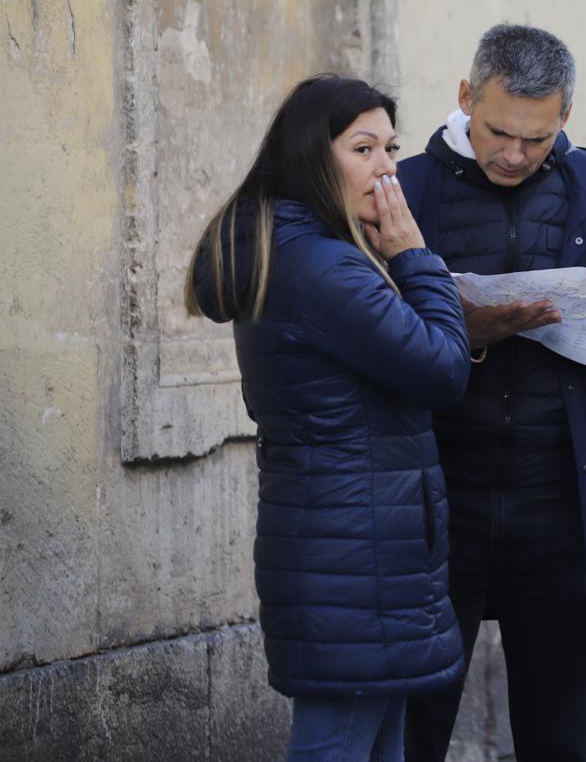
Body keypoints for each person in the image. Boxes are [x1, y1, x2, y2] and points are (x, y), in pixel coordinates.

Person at [399, 24, 586, 761]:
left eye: (537, 137)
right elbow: (365, 347)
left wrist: (566, 325)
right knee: (403, 740)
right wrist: (472, 329)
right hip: (432, 513)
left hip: (568, 517)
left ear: (565, 115)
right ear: (465, 97)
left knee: (562, 743)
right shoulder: (404, 193)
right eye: (498, 131)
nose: (515, 155)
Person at [186, 74, 473, 761]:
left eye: (391, 148)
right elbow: (441, 371)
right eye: (363, 148)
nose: (386, 167)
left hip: (356, 546)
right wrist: (413, 257)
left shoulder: (309, 251)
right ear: (315, 157)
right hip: (355, 552)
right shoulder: (320, 266)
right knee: (337, 744)